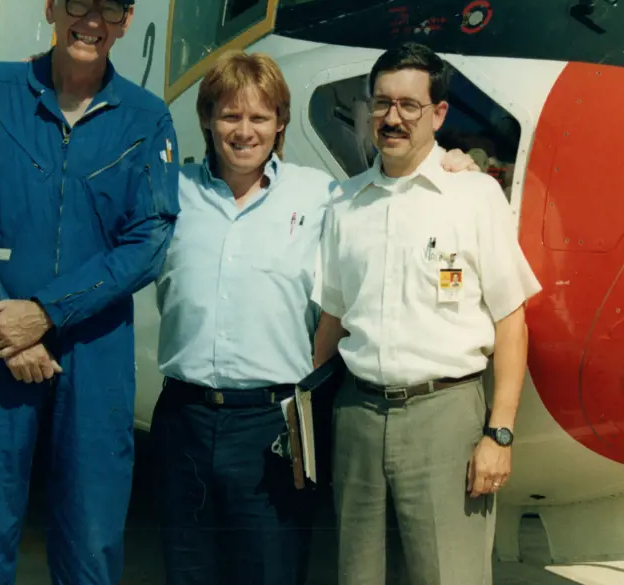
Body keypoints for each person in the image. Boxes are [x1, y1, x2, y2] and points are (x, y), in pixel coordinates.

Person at [150, 50, 477, 585]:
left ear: (280, 123)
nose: (244, 131)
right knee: (188, 572)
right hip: (182, 419)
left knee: (273, 573)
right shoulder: (170, 193)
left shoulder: (324, 197)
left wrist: (452, 162)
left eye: (259, 117)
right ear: (207, 119)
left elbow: (393, 197)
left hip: (271, 427)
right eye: (230, 115)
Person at [0, 0, 180, 585]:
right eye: (78, 2)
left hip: (94, 355)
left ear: (125, 23)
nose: (90, 21)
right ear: (51, 3)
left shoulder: (147, 120)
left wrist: (43, 313)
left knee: (91, 540)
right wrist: (4, 323)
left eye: (108, 9)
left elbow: (149, 236)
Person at [313, 43, 541, 585]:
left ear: (438, 113)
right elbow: (332, 322)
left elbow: (512, 321)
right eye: (382, 103)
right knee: (355, 576)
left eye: (409, 106)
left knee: (450, 576)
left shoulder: (474, 196)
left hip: (446, 418)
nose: (393, 118)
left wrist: (499, 435)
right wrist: (310, 421)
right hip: (358, 418)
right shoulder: (344, 205)